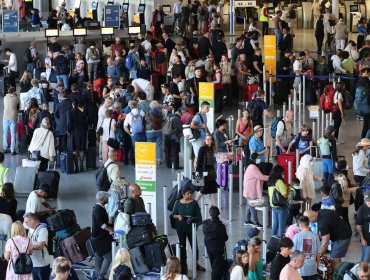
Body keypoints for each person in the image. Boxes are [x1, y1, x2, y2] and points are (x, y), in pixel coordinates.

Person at [171, 186, 204, 274]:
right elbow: (173, 215)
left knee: (194, 246)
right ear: (183, 194)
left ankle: (196, 263)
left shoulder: (194, 203)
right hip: (181, 227)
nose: (190, 195)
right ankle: (183, 265)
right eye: (187, 193)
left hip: (191, 227)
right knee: (182, 246)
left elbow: (198, 215)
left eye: (190, 193)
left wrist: (193, 219)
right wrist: (178, 216)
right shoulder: (178, 203)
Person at [311, 203, 352, 269]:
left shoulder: (322, 222)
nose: (310, 222)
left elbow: (325, 242)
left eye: (310, 220)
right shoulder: (321, 211)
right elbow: (321, 233)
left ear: (313, 216)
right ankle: (341, 269)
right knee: (336, 256)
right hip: (342, 232)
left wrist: (320, 254)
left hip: (343, 238)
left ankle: (337, 276)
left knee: (334, 258)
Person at [92, 191, 114, 280]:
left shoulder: (99, 207)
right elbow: (100, 223)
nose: (107, 199)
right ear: (102, 199)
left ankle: (98, 275)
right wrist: (110, 230)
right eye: (106, 198)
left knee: (99, 257)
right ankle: (101, 275)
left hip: (97, 237)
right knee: (108, 257)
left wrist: (111, 225)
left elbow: (103, 222)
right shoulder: (98, 209)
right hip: (100, 238)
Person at [243, 153, 269, 226]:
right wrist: (271, 177)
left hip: (249, 187)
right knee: (252, 206)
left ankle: (247, 220)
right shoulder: (252, 167)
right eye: (258, 158)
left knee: (249, 205)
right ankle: (256, 222)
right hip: (251, 189)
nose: (259, 159)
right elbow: (261, 177)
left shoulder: (249, 165)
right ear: (256, 158)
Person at [203, 206, 228, 280]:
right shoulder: (221, 226)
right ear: (218, 214)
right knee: (217, 268)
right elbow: (225, 238)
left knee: (213, 263)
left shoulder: (205, 224)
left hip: (208, 247)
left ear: (210, 214)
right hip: (218, 249)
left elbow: (204, 232)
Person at [23, 212, 50, 280]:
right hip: (33, 263)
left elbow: (40, 246)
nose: (26, 224)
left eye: (27, 222)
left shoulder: (42, 230)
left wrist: (27, 246)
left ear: (32, 220)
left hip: (42, 264)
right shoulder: (30, 230)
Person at [195, 134, 218, 206]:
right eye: (207, 139)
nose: (208, 141)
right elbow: (199, 160)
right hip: (204, 170)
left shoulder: (212, 148)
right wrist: (197, 170)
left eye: (210, 139)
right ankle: (195, 202)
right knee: (204, 188)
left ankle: (214, 205)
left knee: (213, 188)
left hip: (211, 170)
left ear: (212, 141)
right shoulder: (202, 148)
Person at [66, 101, 88, 172]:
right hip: (82, 132)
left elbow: (69, 123)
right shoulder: (82, 112)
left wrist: (68, 131)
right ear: (78, 105)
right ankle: (81, 166)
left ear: (72, 105)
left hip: (74, 132)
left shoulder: (69, 112)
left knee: (74, 149)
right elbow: (86, 123)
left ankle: (76, 167)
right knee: (81, 149)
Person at [268, 165, 289, 237]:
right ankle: (280, 239)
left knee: (275, 223)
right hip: (281, 205)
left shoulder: (270, 180)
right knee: (282, 224)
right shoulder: (279, 182)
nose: (283, 174)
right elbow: (285, 194)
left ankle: (273, 237)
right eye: (282, 173)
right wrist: (289, 188)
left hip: (273, 205)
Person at [3, 86, 19, 155]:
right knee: (13, 134)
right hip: (13, 116)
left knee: (5, 133)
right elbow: (19, 106)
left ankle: (5, 148)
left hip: (5, 116)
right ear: (14, 91)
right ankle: (12, 150)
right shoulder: (16, 98)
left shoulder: (5, 97)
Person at [356, 190, 370, 262]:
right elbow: (358, 225)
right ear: (364, 199)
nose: (369, 203)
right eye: (367, 201)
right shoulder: (362, 209)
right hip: (367, 239)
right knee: (365, 260)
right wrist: (362, 238)